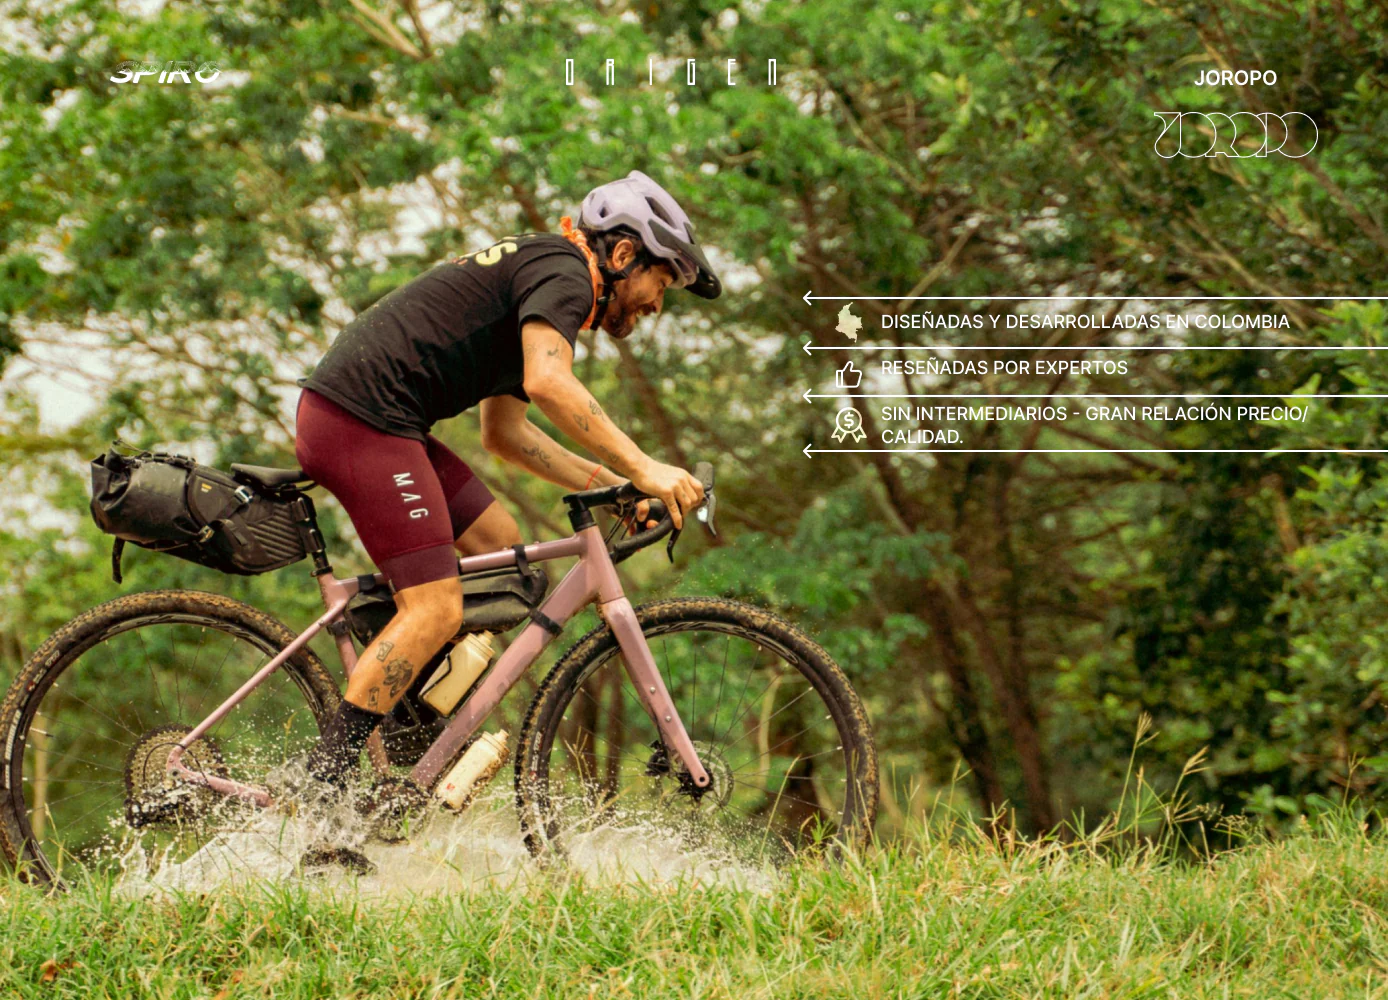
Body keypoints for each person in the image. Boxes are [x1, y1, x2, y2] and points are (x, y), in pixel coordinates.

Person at [290, 170, 721, 795]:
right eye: (660, 282)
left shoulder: (546, 283)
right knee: (436, 605)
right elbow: (551, 383)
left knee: (500, 546)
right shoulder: (567, 273)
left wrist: (613, 485)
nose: (657, 303)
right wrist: (644, 467)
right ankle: (320, 791)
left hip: (373, 419)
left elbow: (507, 434)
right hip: (358, 420)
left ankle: (406, 729)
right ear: (624, 255)